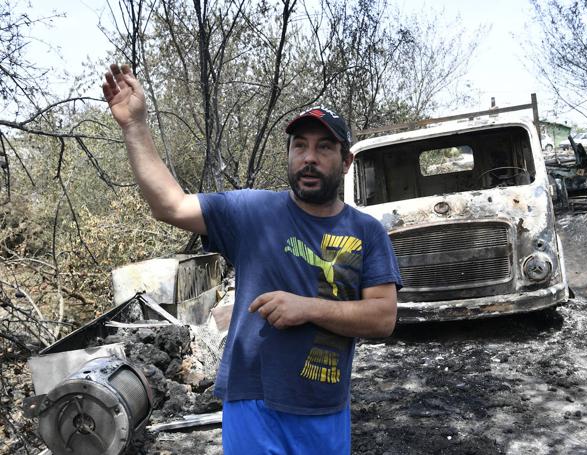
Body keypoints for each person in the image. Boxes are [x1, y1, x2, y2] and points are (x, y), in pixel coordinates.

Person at [102, 63, 402, 454]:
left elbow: (383, 317)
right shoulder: (252, 212)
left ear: (345, 162)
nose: (309, 157)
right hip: (252, 400)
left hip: (325, 408)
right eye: (300, 146)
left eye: (324, 148)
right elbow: (170, 205)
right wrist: (134, 127)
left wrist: (307, 308)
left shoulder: (366, 232)